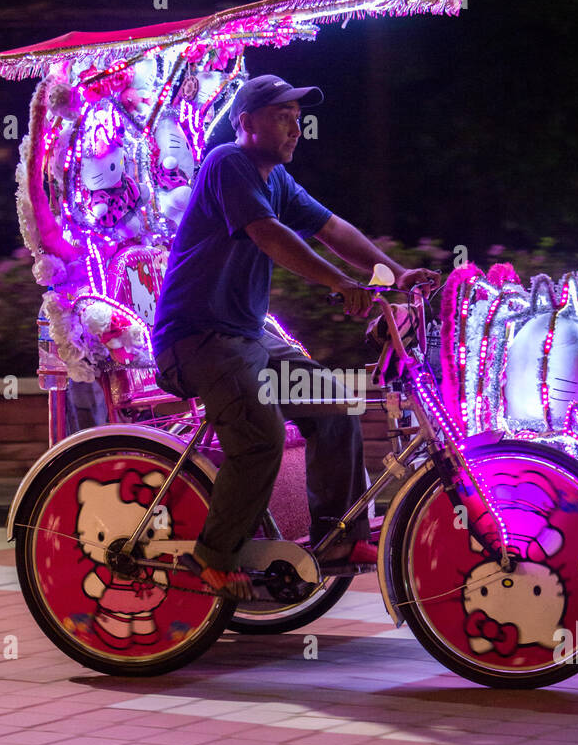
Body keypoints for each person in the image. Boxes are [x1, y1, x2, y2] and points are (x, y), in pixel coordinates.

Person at [153, 74, 438, 599]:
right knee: (259, 439)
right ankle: (212, 558)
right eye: (281, 115)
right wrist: (339, 283)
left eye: (297, 115)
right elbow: (269, 234)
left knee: (335, 400)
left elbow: (333, 229)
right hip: (197, 340)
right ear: (246, 123)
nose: (296, 126)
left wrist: (396, 275)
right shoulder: (228, 163)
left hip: (246, 339)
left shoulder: (277, 180)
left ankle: (336, 539)